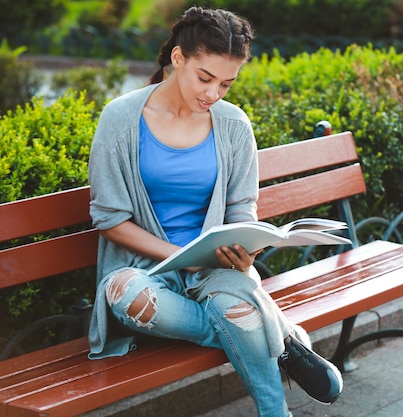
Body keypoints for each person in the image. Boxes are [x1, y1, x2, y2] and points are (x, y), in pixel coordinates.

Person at [86, 6, 342, 416]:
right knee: (124, 295)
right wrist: (176, 258)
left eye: (226, 84)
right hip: (145, 270)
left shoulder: (234, 126)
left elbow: (242, 210)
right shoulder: (120, 119)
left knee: (233, 302)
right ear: (178, 58)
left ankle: (276, 412)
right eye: (205, 78)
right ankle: (282, 340)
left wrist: (247, 250)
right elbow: (110, 220)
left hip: (216, 271)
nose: (213, 93)